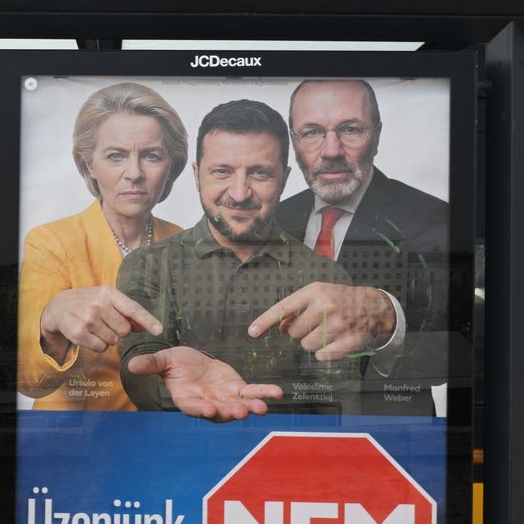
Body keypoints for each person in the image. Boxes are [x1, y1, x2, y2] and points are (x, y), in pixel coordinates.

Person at [117, 99, 375, 422]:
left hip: (286, 460)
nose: (239, 193)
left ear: (284, 178)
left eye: (260, 173)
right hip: (179, 459)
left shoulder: (325, 278)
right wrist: (172, 385)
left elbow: (336, 406)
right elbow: (138, 370)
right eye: (222, 171)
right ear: (197, 174)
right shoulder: (147, 266)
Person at [273, 78, 451, 407]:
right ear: (292, 141)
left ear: (378, 135)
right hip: (279, 424)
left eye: (350, 129)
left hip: (383, 433)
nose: (331, 151)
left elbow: (454, 347)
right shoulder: (273, 219)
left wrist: (387, 321)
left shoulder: (432, 217)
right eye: (312, 132)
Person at [17, 82, 188, 410]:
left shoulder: (183, 240)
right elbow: (27, 378)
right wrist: (51, 324)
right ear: (89, 165)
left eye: (151, 155)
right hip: (78, 444)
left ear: (172, 166)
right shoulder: (51, 242)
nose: (134, 173)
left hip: (165, 439)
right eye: (116, 156)